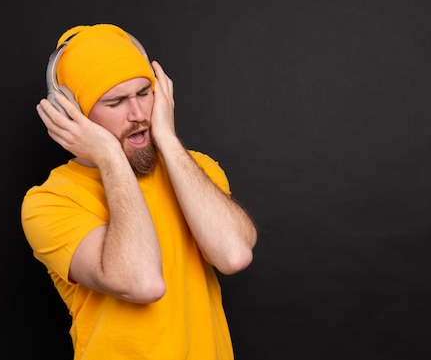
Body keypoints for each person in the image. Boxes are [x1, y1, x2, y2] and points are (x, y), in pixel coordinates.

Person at [21, 23, 257, 360]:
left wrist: (168, 139)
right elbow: (143, 282)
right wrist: (108, 155)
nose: (138, 115)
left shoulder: (196, 169)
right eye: (116, 102)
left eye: (144, 93)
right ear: (72, 114)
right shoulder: (50, 202)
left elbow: (234, 255)